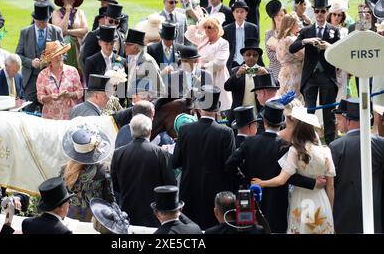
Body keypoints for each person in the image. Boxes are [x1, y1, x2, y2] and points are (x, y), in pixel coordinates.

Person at [229, 102, 323, 233]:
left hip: (252, 197)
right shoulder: (285, 146)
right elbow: (290, 177)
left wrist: (245, 179)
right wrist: (313, 183)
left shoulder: (249, 142)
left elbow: (230, 164)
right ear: (281, 124)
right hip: (277, 202)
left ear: (264, 122)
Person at [251, 105, 336, 234]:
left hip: (301, 200)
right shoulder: (326, 151)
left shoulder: (295, 151)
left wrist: (262, 183)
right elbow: (331, 186)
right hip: (321, 200)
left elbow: (281, 180)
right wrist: (330, 209)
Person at [172, 85, 235, 229]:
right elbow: (229, 166)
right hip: (216, 196)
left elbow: (175, 162)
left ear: (200, 108)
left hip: (189, 193)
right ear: (217, 110)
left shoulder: (185, 130)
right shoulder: (226, 132)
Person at [289, 0, 341, 144]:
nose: (319, 15)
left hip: (327, 76)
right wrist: (306, 41)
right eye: (317, 11)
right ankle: (307, 139)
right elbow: (292, 48)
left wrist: (328, 47)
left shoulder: (333, 31)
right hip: (310, 76)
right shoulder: (306, 31)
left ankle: (331, 142)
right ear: (314, 12)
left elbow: (339, 50)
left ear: (327, 13)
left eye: (322, 11)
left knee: (328, 110)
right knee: (309, 109)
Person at [329, 98, 384, 233]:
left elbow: (330, 184)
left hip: (344, 214)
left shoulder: (335, 146)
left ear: (348, 121)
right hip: (374, 212)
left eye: (340, 119)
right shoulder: (381, 144)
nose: (337, 122)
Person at [111, 114, 176, 227]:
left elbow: (115, 186)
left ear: (131, 131)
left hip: (128, 212)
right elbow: (170, 184)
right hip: (155, 214)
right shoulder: (161, 154)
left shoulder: (118, 153)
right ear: (150, 131)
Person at [15, 2, 64, 112]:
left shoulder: (57, 31)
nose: (42, 24)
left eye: (45, 21)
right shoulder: (25, 32)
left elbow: (63, 53)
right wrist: (31, 62)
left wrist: (52, 61)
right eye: (39, 22)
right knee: (28, 108)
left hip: (51, 77)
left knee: (51, 107)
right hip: (31, 77)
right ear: (34, 19)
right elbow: (18, 55)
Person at [60, 127, 115, 222]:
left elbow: (60, 198)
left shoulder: (64, 170)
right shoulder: (103, 170)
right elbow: (109, 199)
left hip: (70, 220)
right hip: (94, 221)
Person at [185, 14, 232, 113]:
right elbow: (189, 35)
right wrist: (198, 26)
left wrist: (203, 67)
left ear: (217, 28)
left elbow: (220, 62)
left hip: (216, 76)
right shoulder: (204, 39)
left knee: (216, 104)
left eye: (209, 27)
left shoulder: (223, 43)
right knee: (201, 103)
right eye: (205, 27)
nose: (206, 30)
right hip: (201, 76)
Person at [224, 39, 267, 124]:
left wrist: (266, 75)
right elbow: (227, 87)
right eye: (248, 54)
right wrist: (237, 75)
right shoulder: (235, 70)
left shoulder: (264, 71)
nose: (251, 57)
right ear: (243, 56)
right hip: (238, 114)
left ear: (258, 57)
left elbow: (277, 86)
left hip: (258, 115)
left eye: (255, 55)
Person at [36, 41, 83, 120]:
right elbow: (40, 97)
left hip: (69, 116)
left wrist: (69, 95)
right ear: (50, 59)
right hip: (50, 118)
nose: (59, 58)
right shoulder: (43, 74)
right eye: (56, 56)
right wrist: (50, 97)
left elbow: (80, 91)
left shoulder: (72, 71)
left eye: (60, 54)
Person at [52, 0, 89, 74]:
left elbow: (85, 30)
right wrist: (67, 12)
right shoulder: (56, 13)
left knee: (79, 72)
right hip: (62, 49)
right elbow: (60, 30)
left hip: (79, 48)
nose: (70, 0)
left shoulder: (80, 12)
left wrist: (68, 32)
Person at [80, 4, 125, 73]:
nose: (113, 24)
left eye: (116, 22)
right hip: (98, 76)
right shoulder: (94, 35)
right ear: (105, 18)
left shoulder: (121, 37)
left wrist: (115, 71)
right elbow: (86, 58)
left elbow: (120, 57)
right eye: (110, 21)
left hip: (116, 77)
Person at [125, 29, 165, 100]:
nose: (125, 47)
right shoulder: (132, 59)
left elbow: (160, 88)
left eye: (127, 44)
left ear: (135, 47)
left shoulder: (148, 61)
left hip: (145, 104)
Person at [223, 0, 260, 70]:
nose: (239, 14)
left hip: (249, 62)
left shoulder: (253, 28)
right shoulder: (226, 29)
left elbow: (256, 47)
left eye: (242, 12)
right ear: (233, 13)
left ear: (246, 13)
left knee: (249, 80)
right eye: (237, 11)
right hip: (232, 63)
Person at [327, 0, 349, 101]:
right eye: (334, 14)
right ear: (330, 15)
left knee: (341, 97)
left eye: (339, 15)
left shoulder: (345, 31)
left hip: (341, 67)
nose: (336, 17)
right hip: (327, 67)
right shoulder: (325, 29)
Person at [276, 14, 304, 99]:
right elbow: (303, 55)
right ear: (292, 24)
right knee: (294, 102)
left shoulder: (280, 39)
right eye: (297, 22)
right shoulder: (291, 40)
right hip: (294, 75)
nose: (299, 24)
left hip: (284, 73)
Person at [264, 0, 287, 81]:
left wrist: (277, 48)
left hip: (289, 72)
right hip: (275, 72)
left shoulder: (290, 33)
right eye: (277, 15)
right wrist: (284, 51)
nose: (279, 17)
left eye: (282, 15)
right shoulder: (269, 34)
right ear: (273, 17)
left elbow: (292, 54)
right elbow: (270, 56)